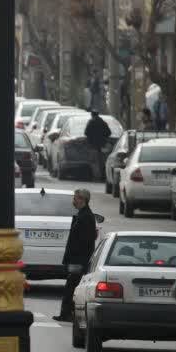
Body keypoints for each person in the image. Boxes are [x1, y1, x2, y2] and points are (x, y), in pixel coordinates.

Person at [55, 188, 97, 322]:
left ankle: (67, 314)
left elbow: (85, 241)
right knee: (71, 286)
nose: (73, 200)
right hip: (76, 259)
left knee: (71, 287)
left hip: (79, 259)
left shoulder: (86, 216)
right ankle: (67, 313)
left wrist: (77, 260)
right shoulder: (82, 215)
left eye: (75, 198)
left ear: (82, 199)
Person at [83, 111, 112, 182]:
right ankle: (102, 176)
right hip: (102, 145)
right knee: (102, 161)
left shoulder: (91, 122)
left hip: (93, 145)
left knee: (94, 162)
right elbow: (109, 132)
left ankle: (96, 176)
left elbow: (86, 132)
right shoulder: (103, 122)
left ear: (92, 115)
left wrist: (91, 138)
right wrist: (103, 138)